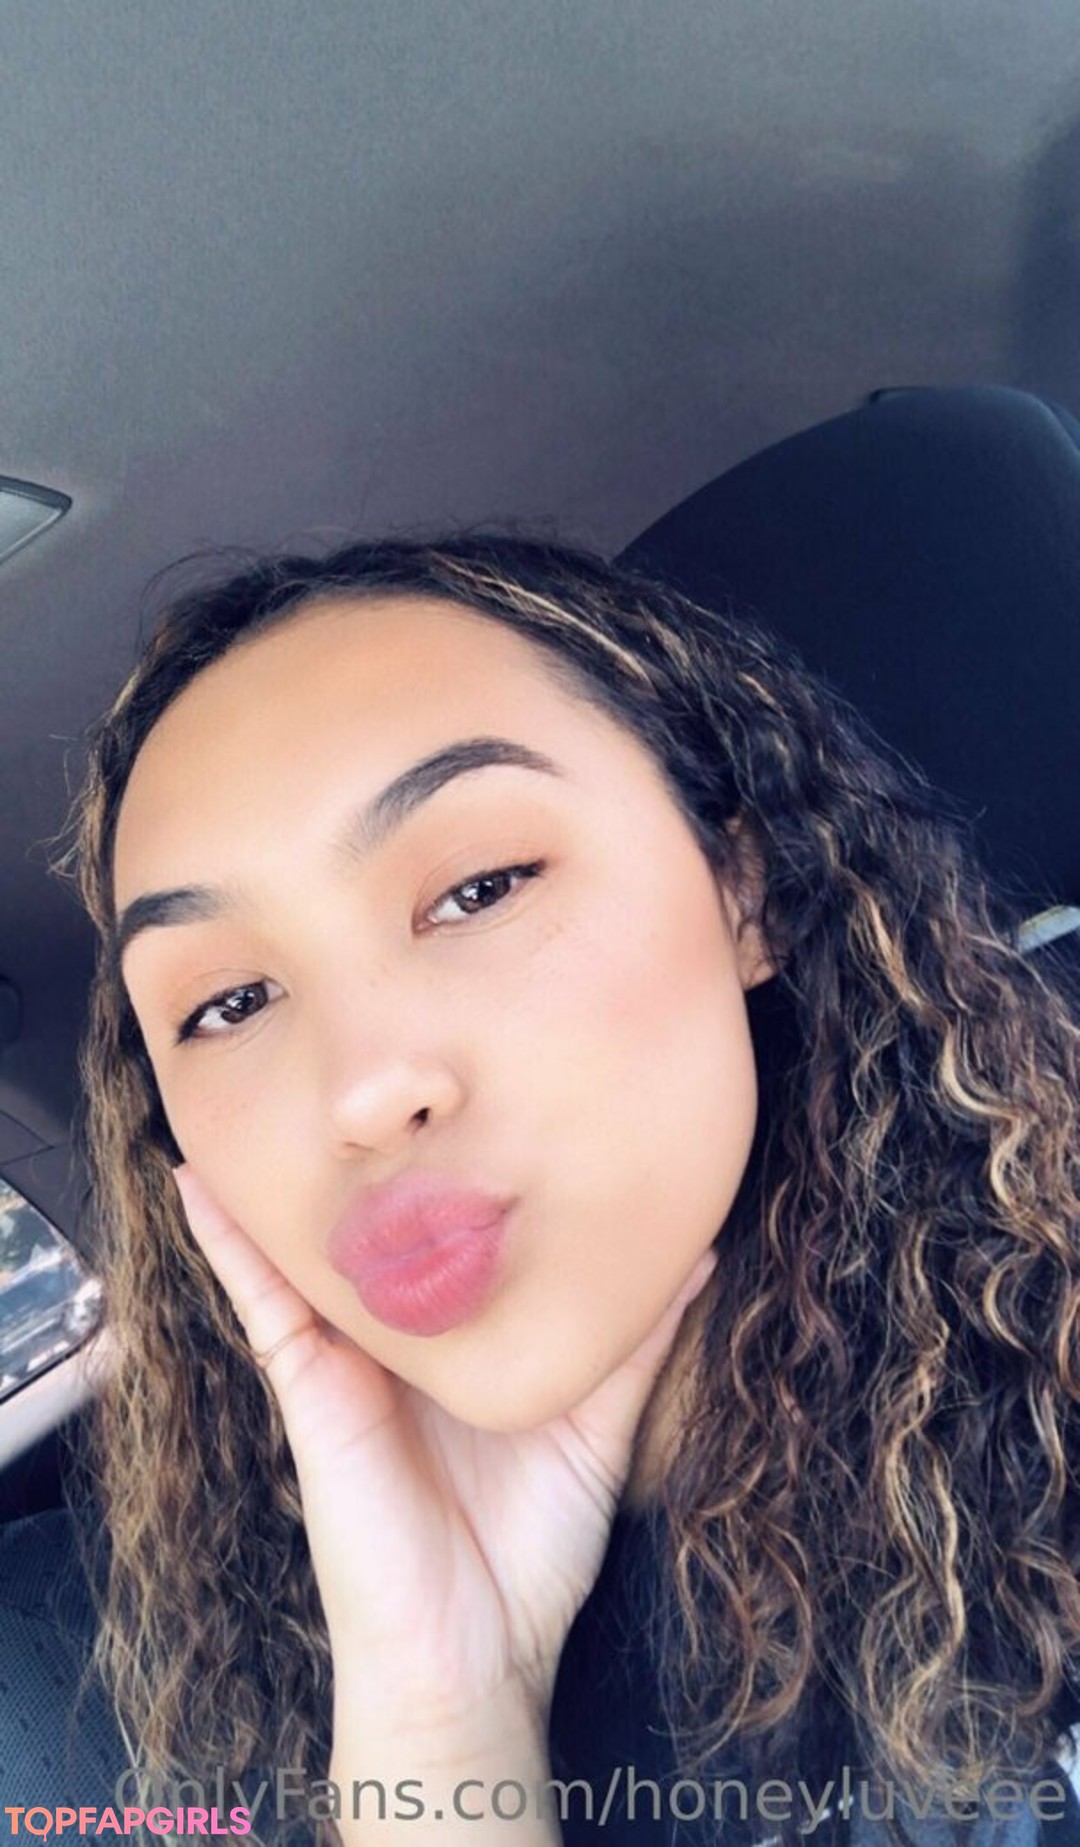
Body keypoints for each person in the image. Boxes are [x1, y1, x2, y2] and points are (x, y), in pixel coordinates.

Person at [59, 533, 1080, 1847]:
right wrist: (439, 1715)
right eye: (231, 1003)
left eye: (479, 888)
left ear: (745, 889)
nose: (360, 1092)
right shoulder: (282, 1704)